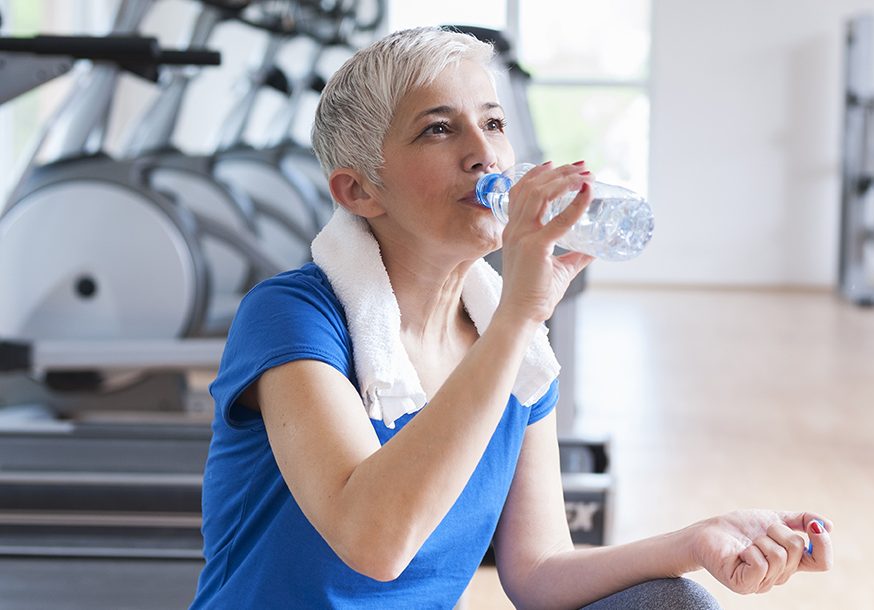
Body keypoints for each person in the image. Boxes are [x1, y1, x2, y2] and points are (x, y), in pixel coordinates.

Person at [190, 26, 832, 609]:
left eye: (493, 124)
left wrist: (696, 541)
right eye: (438, 129)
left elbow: (539, 570)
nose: (484, 155)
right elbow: (375, 544)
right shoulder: (293, 316)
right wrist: (520, 316)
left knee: (679, 604)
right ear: (359, 190)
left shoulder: (513, 344)